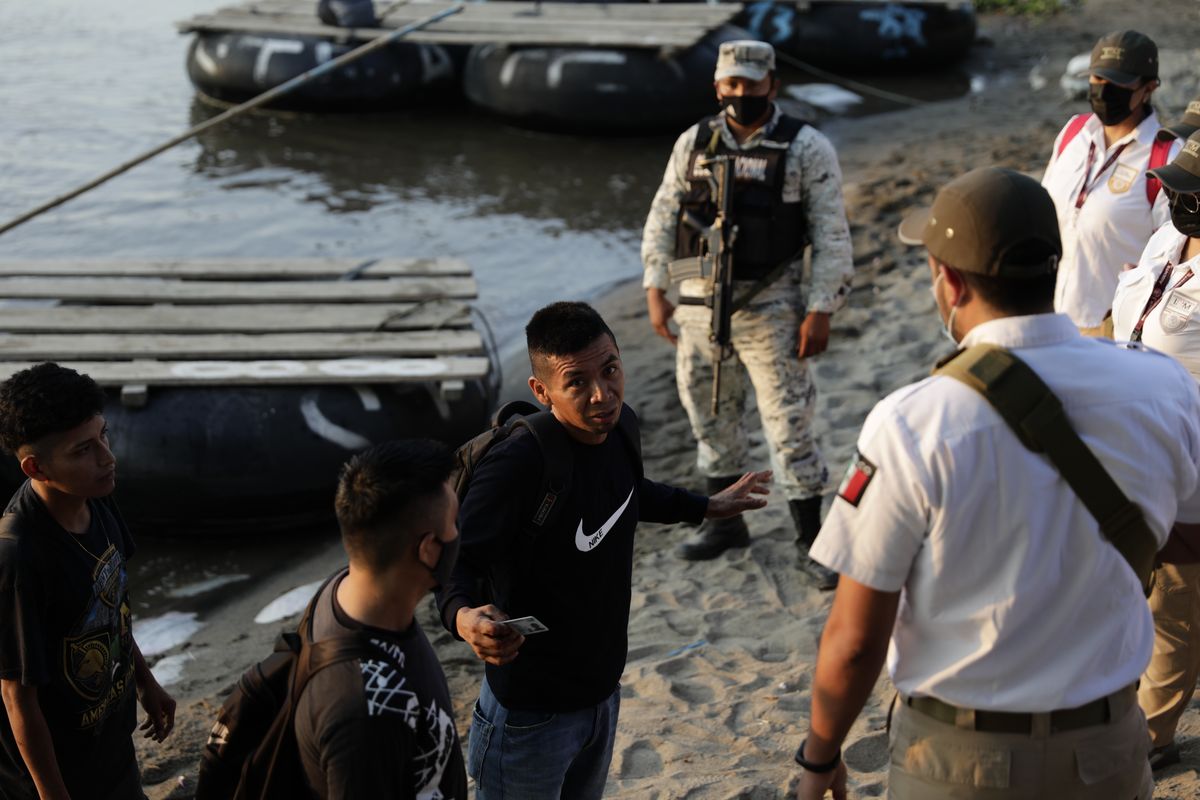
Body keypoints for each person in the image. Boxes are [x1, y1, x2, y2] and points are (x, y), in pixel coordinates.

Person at [796, 167, 1200, 799]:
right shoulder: (1161, 387)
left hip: (960, 760)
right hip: (1110, 748)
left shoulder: (911, 421)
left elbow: (853, 640)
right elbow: (1189, 540)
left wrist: (819, 756)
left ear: (949, 281)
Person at [436, 301, 770, 799]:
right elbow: (451, 559)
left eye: (611, 369)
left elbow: (627, 493)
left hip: (602, 696)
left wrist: (706, 505)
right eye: (577, 383)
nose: (602, 394)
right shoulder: (517, 464)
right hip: (529, 715)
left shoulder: (621, 428)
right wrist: (462, 617)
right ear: (541, 390)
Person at [641, 39, 853, 585]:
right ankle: (725, 525)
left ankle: (812, 539)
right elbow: (666, 215)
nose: (741, 94)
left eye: (752, 84)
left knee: (788, 422)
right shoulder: (695, 142)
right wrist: (654, 286)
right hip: (698, 298)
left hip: (772, 301)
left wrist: (821, 308)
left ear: (772, 85)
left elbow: (831, 234)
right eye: (732, 84)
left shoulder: (805, 147)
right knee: (708, 412)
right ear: (718, 87)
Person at [0, 363, 176, 800]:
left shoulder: (95, 497)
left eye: (105, 435)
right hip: (55, 770)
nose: (107, 457)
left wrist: (144, 681)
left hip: (109, 742)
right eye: (82, 450)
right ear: (36, 468)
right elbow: (16, 694)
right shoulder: (19, 556)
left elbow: (113, 606)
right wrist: (53, 794)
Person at [294, 438, 467, 799]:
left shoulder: (342, 591)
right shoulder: (365, 715)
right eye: (454, 521)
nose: (458, 533)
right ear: (429, 549)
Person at [1112, 129, 1200, 772]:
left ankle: (1156, 735)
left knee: (1174, 601)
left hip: (1191, 464)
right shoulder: (1167, 237)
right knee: (1131, 591)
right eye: (1175, 188)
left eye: (1191, 193)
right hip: (1129, 450)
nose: (1178, 200)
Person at [1041, 29, 1179, 335]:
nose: (1104, 90)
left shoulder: (1166, 159)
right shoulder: (1072, 133)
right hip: (1047, 319)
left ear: (1149, 88)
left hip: (1107, 330)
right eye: (1098, 79)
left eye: (1118, 83)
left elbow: (1172, 262)